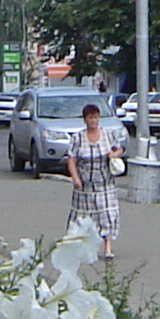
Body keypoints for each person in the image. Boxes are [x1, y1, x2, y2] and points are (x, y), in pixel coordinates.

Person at [65, 100, 125, 260]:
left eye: (96, 117)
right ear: (85, 119)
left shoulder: (107, 134)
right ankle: (76, 247)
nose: (93, 121)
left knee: (107, 214)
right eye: (90, 118)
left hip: (105, 183)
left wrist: (114, 154)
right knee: (82, 217)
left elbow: (120, 148)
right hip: (85, 185)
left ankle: (108, 248)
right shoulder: (78, 138)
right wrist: (75, 179)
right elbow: (71, 160)